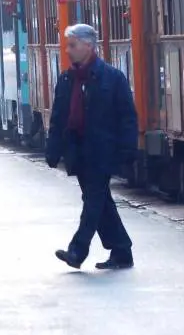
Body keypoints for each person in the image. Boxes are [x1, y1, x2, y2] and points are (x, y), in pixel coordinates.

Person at [45, 23, 138, 270]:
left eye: (72, 45)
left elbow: (127, 116)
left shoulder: (112, 77)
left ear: (88, 46)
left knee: (93, 201)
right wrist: (53, 149)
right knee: (100, 201)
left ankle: (77, 251)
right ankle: (122, 251)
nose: (68, 50)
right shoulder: (67, 79)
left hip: (102, 151)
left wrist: (128, 150)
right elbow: (58, 117)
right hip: (78, 150)